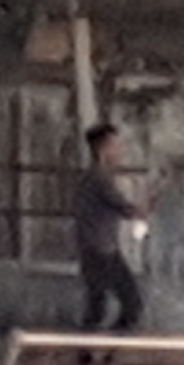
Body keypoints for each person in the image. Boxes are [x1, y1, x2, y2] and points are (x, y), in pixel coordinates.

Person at [72, 121, 148, 334]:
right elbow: (126, 209)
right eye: (115, 145)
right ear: (102, 149)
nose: (120, 151)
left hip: (93, 249)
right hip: (102, 251)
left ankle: (89, 348)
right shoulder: (100, 179)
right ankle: (109, 345)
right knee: (131, 303)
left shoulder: (91, 178)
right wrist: (142, 208)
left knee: (97, 305)